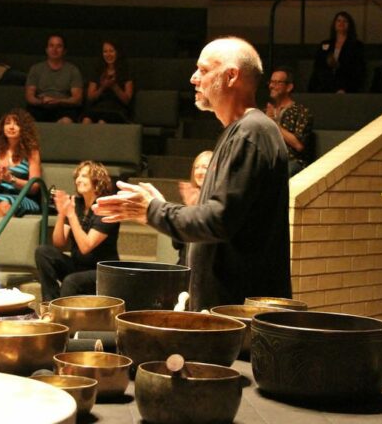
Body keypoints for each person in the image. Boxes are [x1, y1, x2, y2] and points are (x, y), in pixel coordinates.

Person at [94, 37, 292, 311]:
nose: (193, 78)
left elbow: (218, 221)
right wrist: (158, 207)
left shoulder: (251, 132)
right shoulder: (241, 132)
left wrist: (153, 210)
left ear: (231, 76)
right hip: (225, 311)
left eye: (203, 69)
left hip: (238, 315)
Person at [35, 161, 120, 301]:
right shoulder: (77, 204)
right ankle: (49, 305)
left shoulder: (106, 208)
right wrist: (62, 213)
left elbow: (86, 247)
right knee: (43, 252)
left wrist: (71, 215)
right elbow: (59, 243)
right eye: (77, 176)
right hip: (78, 266)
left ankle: (61, 313)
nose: (78, 180)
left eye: (84, 176)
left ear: (97, 181)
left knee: (71, 281)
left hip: (103, 273)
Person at [0, 109, 41, 217]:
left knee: (4, 206)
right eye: (7, 123)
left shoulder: (32, 152)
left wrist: (11, 179)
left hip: (22, 197)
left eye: (16, 124)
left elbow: (34, 187)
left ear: (24, 128)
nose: (11, 127)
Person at [265, 67, 314, 176]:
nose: (271, 86)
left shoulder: (301, 112)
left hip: (291, 161)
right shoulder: (266, 112)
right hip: (268, 160)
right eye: (271, 82)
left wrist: (273, 123)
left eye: (277, 82)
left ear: (289, 87)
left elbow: (299, 145)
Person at [25, 34, 84, 123]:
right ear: (46, 50)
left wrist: (58, 101)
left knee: (67, 120)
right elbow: (29, 96)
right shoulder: (36, 69)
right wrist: (41, 102)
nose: (54, 49)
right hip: (40, 107)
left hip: (64, 108)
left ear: (64, 51)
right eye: (51, 46)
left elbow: (77, 98)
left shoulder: (73, 70)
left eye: (59, 46)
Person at [309, 11, 365, 93]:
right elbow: (318, 67)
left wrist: (345, 88)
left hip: (346, 87)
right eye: (339, 21)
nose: (341, 23)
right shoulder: (325, 44)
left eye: (345, 21)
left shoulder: (356, 46)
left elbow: (357, 70)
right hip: (325, 87)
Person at [81, 41, 134, 124]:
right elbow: (90, 98)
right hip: (98, 107)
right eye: (105, 51)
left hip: (116, 109)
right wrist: (102, 87)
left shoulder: (126, 71)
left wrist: (114, 86)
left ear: (117, 52)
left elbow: (127, 100)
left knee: (102, 122)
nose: (108, 54)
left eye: (111, 51)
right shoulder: (97, 71)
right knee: (86, 120)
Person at [175, 150, 212, 266]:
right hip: (185, 264)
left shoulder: (218, 200)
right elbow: (177, 244)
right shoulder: (189, 196)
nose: (199, 172)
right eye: (196, 167)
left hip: (209, 266)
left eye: (205, 167)